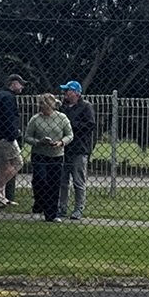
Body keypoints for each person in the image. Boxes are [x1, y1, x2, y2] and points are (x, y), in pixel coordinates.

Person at [23, 92, 73, 221]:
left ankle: (51, 214)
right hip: (39, 154)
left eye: (45, 106)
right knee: (40, 180)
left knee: (54, 183)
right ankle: (38, 205)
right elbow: (27, 136)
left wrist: (61, 142)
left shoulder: (62, 118)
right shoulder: (35, 119)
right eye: (41, 106)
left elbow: (69, 135)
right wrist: (38, 142)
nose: (43, 109)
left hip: (56, 154)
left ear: (52, 106)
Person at [59, 81, 96, 219]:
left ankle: (78, 208)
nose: (65, 93)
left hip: (79, 148)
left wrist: (71, 125)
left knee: (78, 181)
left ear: (76, 93)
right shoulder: (63, 107)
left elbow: (90, 125)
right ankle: (62, 207)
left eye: (68, 90)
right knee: (62, 181)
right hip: (64, 148)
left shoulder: (86, 106)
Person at [0, 75, 25, 206]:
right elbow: (8, 117)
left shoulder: (0, 95)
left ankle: (1, 195)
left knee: (4, 165)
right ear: (13, 83)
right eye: (20, 83)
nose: (22, 87)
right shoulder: (8, 97)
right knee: (18, 162)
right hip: (6, 137)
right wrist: (13, 133)